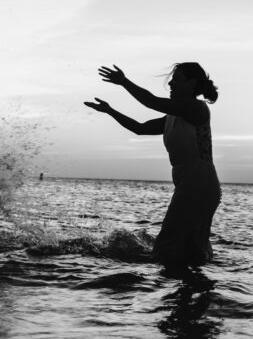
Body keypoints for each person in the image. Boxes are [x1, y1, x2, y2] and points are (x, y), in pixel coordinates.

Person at [84, 62, 221, 268]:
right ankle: (194, 285)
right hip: (192, 184)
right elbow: (139, 128)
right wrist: (110, 111)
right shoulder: (173, 116)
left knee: (167, 246)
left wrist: (123, 81)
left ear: (192, 84)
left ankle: (177, 285)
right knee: (190, 249)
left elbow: (151, 101)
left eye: (177, 79)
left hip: (199, 184)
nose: (171, 83)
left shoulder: (196, 108)